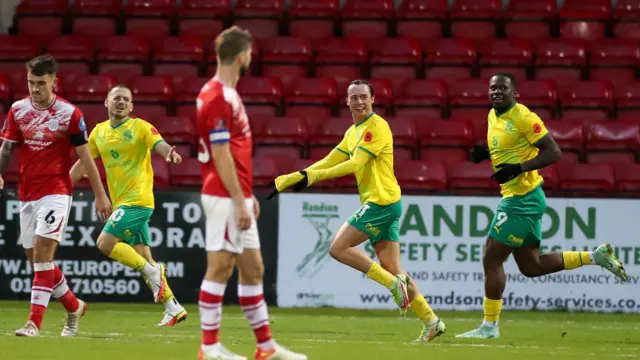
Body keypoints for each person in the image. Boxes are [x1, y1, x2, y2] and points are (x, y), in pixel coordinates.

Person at [268, 79, 446, 343]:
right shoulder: (353, 131)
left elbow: (355, 163)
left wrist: (312, 178)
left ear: (373, 99)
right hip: (387, 202)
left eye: (364, 97)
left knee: (338, 248)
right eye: (355, 97)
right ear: (346, 101)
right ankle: (432, 321)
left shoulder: (377, 127)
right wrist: (298, 175)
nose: (360, 102)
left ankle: (391, 285)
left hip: (380, 203)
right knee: (394, 267)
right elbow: (331, 159)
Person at [455, 73, 628, 339]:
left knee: (491, 257)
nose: (497, 92)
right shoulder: (494, 115)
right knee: (531, 267)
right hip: (524, 196)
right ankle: (596, 256)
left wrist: (518, 169)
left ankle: (489, 328)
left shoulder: (524, 117)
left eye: (503, 88)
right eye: (493, 88)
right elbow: (511, 147)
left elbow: (553, 152)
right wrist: (485, 153)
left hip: (521, 199)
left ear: (515, 94)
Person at [195, 26, 307, 360]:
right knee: (219, 267)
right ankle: (209, 348)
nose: (251, 59)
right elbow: (221, 155)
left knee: (253, 268)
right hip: (223, 195)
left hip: (235, 193)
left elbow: (232, 152)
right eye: (251, 54)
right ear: (242, 55)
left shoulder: (224, 94)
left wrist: (245, 193)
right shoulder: (217, 96)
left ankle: (266, 347)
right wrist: (239, 196)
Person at [0, 55, 112, 337]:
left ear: (54, 82)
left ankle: (33, 323)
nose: (35, 89)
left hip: (57, 192)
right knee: (37, 261)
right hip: (26, 193)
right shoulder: (17, 110)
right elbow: (6, 148)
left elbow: (85, 156)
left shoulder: (69, 114)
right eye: (30, 83)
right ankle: (74, 306)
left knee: (42, 253)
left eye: (41, 83)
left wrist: (100, 195)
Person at [69, 85, 188, 327]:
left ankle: (155, 272)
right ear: (106, 103)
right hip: (122, 201)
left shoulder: (140, 127)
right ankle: (173, 307)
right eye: (116, 98)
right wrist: (61, 186)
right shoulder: (98, 133)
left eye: (126, 99)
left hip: (139, 200)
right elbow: (84, 164)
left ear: (131, 106)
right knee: (144, 255)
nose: (121, 102)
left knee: (105, 243)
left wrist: (168, 153)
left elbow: (160, 143)